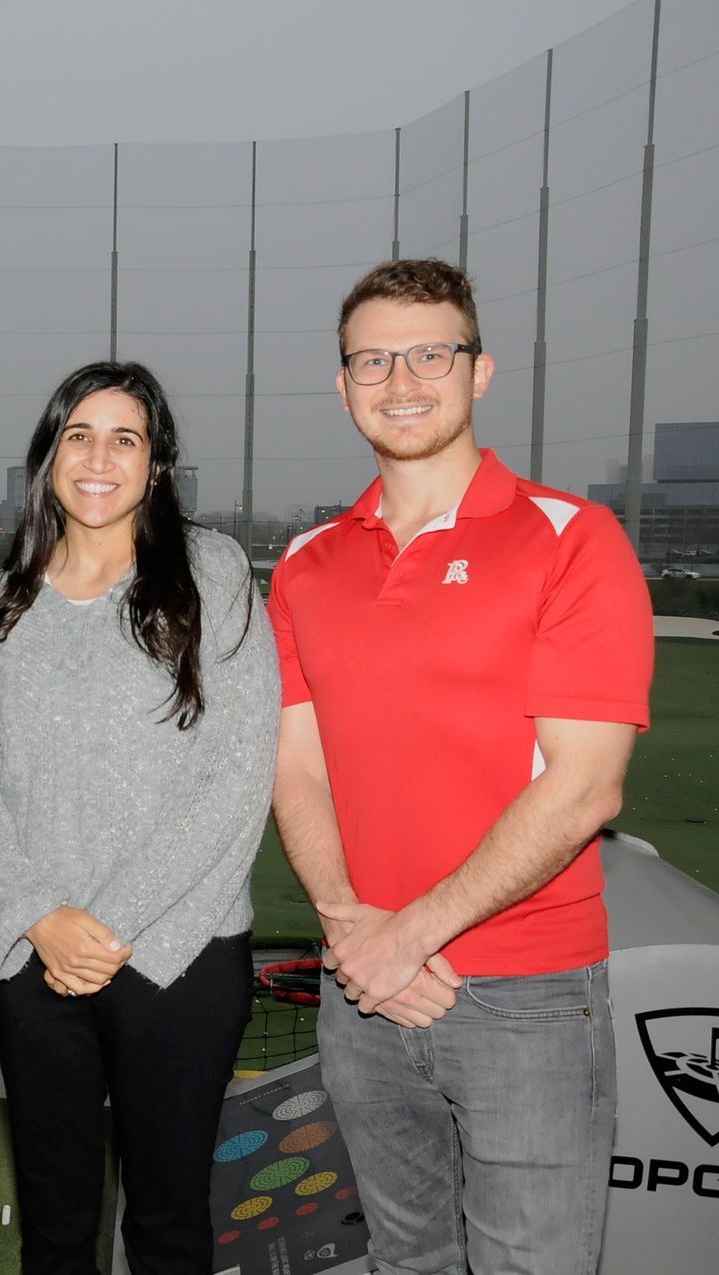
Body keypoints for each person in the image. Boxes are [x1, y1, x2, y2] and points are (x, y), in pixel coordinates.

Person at [269, 259, 654, 1274]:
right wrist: (355, 933)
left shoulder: (574, 538)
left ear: (479, 371)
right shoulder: (307, 563)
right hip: (365, 991)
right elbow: (295, 769)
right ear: (343, 385)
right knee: (407, 1262)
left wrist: (407, 938)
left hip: (527, 998)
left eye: (430, 354)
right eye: (373, 361)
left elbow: (585, 785)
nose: (401, 381)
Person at [0, 361, 279, 1274]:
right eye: (78, 436)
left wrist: (109, 927)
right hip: (35, 960)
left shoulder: (213, 574)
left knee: (166, 1228)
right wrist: (39, 919)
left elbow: (236, 775)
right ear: (48, 457)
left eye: (124, 439)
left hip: (179, 956)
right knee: (55, 1231)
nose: (99, 459)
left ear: (157, 464)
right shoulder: (0, 602)